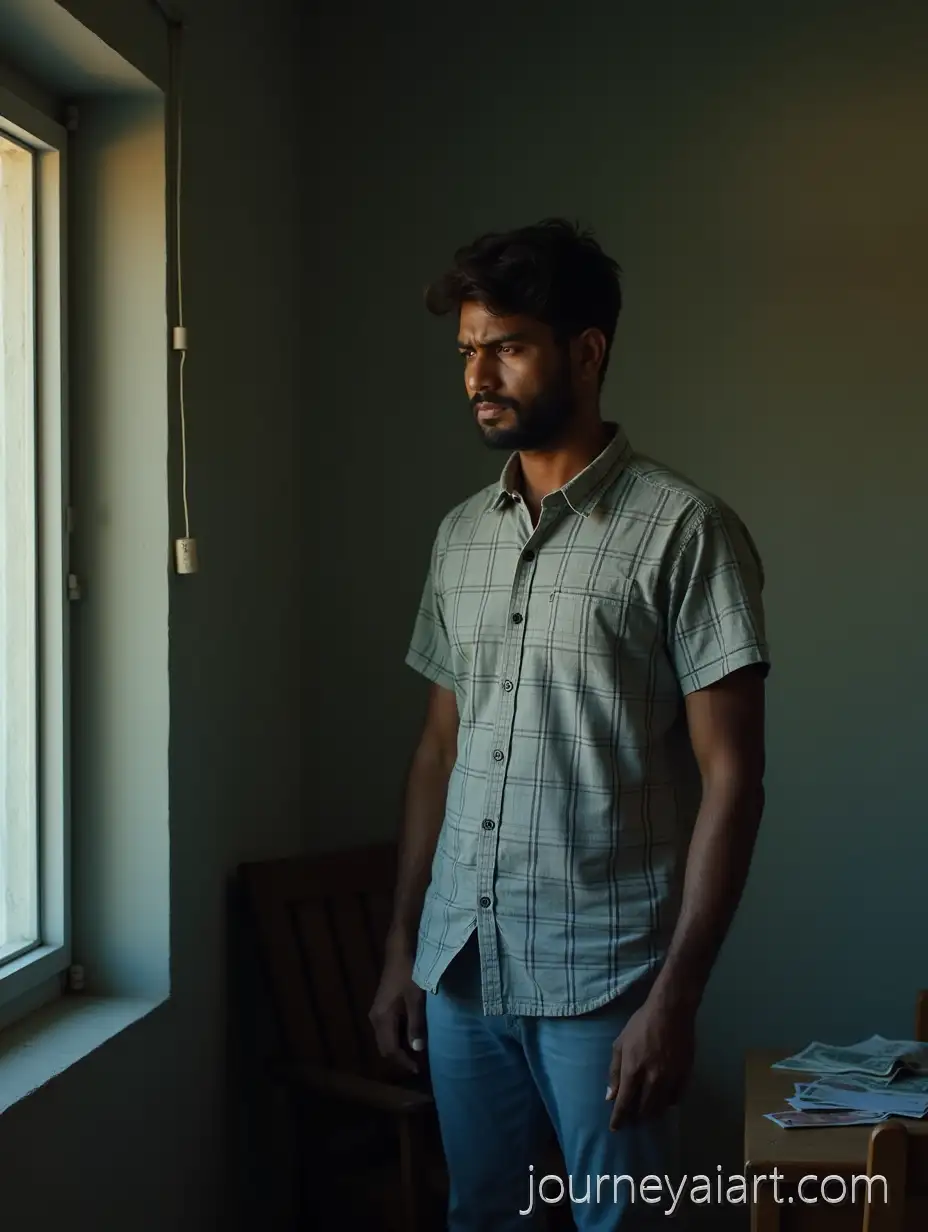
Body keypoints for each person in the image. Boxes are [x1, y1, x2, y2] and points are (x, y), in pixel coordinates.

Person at [369, 218, 770, 1230]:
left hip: (608, 976)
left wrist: (674, 998)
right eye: (467, 349)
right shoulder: (458, 534)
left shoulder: (685, 531)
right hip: (460, 967)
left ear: (586, 351)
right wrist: (402, 948)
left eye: (505, 345)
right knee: (483, 1218)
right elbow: (438, 747)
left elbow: (734, 778)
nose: (477, 373)